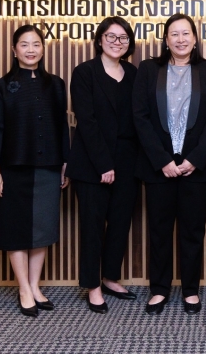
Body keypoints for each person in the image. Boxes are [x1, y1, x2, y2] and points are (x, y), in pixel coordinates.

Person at [133, 13, 206, 316]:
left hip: (196, 166)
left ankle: (190, 290)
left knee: (192, 231)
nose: (181, 39)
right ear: (166, 39)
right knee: (159, 231)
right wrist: (162, 160)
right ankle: (159, 289)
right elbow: (140, 117)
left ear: (195, 39)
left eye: (186, 33)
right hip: (159, 165)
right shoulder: (149, 69)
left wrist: (194, 159)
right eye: (174, 34)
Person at [0, 24, 70, 318]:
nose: (31, 50)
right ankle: (23, 288)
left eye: (36, 44)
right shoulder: (2, 86)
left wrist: (65, 162)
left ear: (43, 49)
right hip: (13, 167)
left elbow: (62, 125)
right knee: (17, 229)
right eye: (24, 44)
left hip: (49, 166)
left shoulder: (56, 84)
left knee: (42, 228)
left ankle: (35, 286)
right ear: (14, 50)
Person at [67, 17, 140, 314]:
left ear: (129, 43)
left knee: (120, 222)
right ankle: (93, 285)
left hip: (128, 160)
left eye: (123, 38)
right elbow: (86, 121)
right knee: (92, 226)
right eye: (111, 36)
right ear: (99, 39)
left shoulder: (133, 73)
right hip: (92, 161)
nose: (116, 42)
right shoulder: (85, 72)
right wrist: (103, 164)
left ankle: (110, 276)